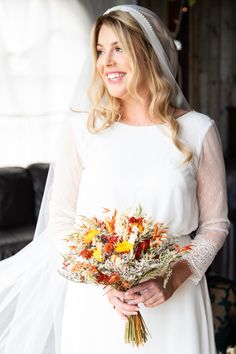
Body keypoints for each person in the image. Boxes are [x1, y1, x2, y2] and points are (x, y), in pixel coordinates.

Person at [0, 4, 229, 354]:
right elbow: (61, 222)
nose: (105, 61)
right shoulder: (83, 130)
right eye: (100, 50)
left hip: (175, 302)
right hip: (96, 305)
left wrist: (172, 279)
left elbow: (214, 225)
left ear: (147, 52)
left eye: (118, 49)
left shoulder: (197, 130)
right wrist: (106, 284)